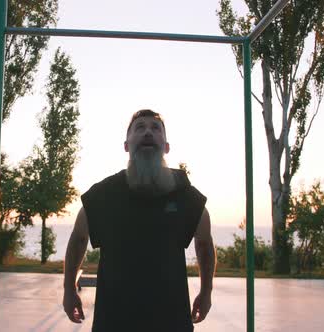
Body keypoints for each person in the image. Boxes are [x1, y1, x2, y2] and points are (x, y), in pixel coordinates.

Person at [63, 109, 216, 331]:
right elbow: (78, 239)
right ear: (126, 145)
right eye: (140, 128)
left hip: (171, 321)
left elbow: (204, 244)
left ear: (166, 146)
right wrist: (68, 290)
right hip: (113, 322)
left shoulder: (186, 195)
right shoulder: (103, 195)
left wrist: (206, 292)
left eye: (155, 128)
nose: (147, 132)